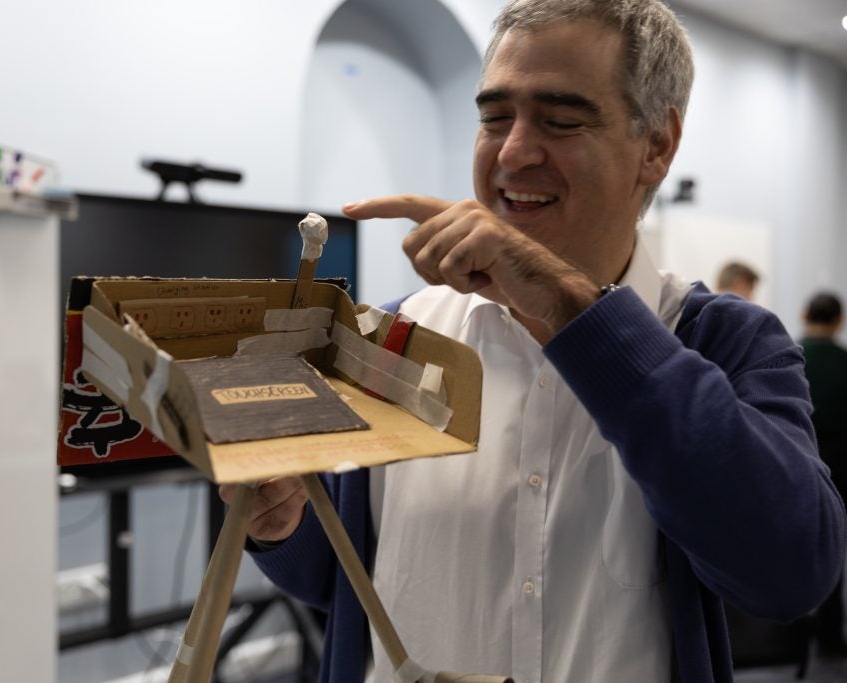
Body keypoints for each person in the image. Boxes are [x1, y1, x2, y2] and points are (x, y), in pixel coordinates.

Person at [221, 1, 845, 681]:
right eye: (493, 118)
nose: (513, 151)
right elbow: (348, 576)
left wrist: (566, 304)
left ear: (657, 146)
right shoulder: (393, 337)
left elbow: (790, 570)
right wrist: (278, 520)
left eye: (561, 119)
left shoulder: (720, 339)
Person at [800, 292, 847, 656]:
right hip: (841, 470)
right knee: (835, 554)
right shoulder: (843, 363)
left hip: (798, 469)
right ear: (839, 321)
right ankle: (830, 638)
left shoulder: (784, 355)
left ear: (804, 315)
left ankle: (790, 636)